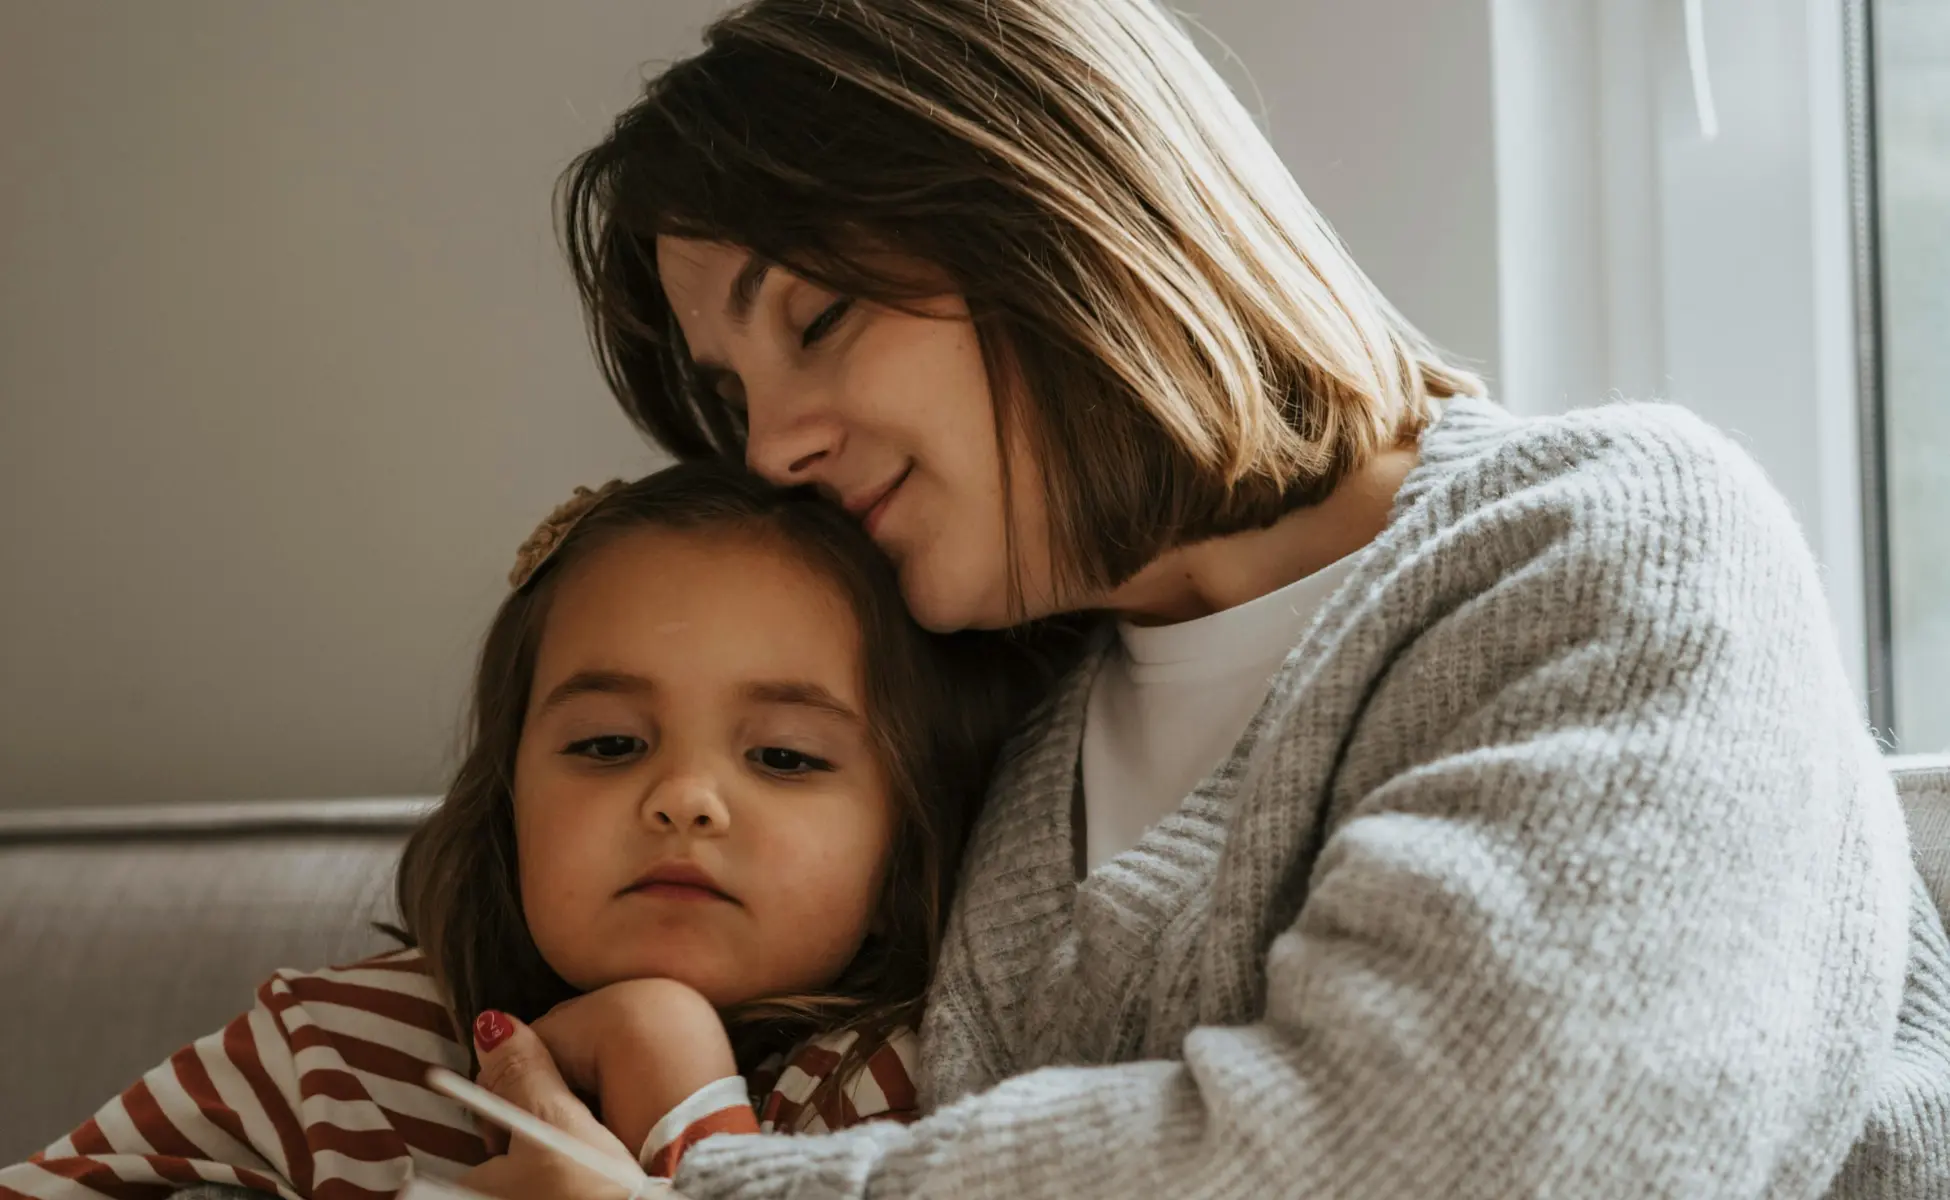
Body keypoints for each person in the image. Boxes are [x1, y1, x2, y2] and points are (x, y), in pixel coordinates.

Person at [443, 0, 1950, 1197]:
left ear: (1057, 208)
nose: (771, 447)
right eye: (729, 392)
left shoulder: (1614, 544)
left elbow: (1480, 1155)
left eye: (817, 322)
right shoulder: (992, 728)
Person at [0, 462, 1053, 1200]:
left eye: (783, 756)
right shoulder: (330, 1045)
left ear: (909, 831)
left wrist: (671, 1077)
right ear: (507, 801)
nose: (684, 798)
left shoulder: (913, 1090)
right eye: (605, 746)